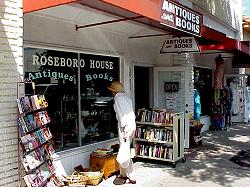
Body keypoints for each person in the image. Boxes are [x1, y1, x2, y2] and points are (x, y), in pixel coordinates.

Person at [107, 81, 136, 185]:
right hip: (132, 126)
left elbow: (121, 115)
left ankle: (131, 176)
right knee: (125, 148)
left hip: (125, 128)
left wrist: (123, 130)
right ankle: (123, 174)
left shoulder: (118, 99)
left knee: (124, 151)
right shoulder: (126, 98)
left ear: (113, 91)